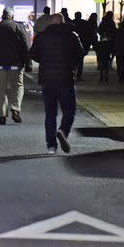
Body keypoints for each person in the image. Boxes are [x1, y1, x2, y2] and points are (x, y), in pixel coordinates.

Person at [29, 13, 84, 154]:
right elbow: (80, 54)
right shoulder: (72, 36)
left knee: (50, 113)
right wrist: (71, 64)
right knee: (69, 110)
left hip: (47, 79)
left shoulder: (42, 37)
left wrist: (45, 60)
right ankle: (63, 131)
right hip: (66, 78)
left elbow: (33, 54)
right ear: (63, 22)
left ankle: (51, 146)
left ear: (50, 23)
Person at [0, 7, 31, 125]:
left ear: (2, 16)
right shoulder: (18, 27)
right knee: (18, 87)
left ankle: (2, 116)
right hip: (16, 64)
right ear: (12, 16)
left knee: (0, 90)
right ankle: (15, 109)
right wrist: (28, 62)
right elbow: (26, 45)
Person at [96, 11, 116, 82]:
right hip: (109, 42)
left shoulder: (102, 22)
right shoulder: (111, 23)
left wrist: (102, 35)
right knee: (107, 58)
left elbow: (98, 30)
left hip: (102, 42)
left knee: (101, 57)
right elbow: (114, 32)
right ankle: (106, 74)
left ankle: (101, 72)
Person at [73, 12, 89, 80]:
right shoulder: (84, 23)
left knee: (73, 60)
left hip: (73, 44)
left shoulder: (72, 23)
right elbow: (87, 34)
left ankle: (73, 73)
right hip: (82, 43)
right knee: (80, 60)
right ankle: (79, 75)